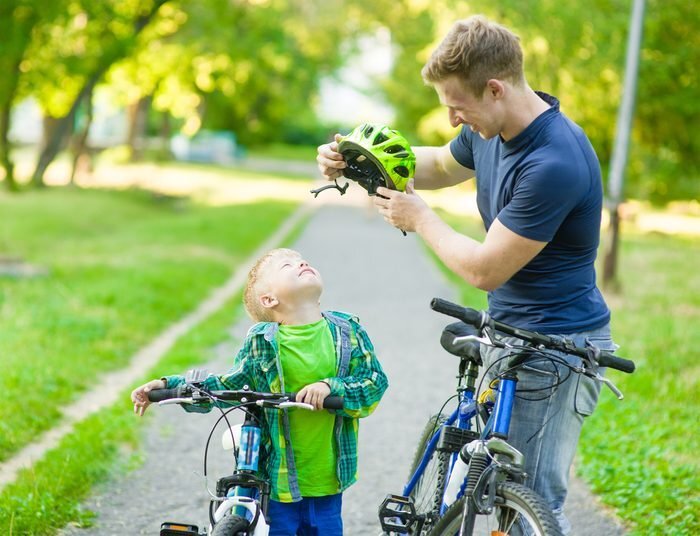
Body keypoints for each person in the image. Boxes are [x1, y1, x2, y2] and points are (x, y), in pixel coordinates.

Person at [316, 15, 615, 534]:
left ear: (495, 88)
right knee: (480, 476)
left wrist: (421, 219)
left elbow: (483, 269)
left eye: (458, 105)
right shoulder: (492, 127)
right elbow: (434, 165)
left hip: (557, 347)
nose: (453, 118)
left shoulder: (553, 161)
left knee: (529, 506)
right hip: (509, 330)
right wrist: (359, 161)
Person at [131, 248, 388, 536]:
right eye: (286, 265)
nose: (301, 262)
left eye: (302, 260)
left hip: (327, 479)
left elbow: (374, 381)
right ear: (269, 300)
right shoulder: (262, 341)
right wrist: (169, 386)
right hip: (276, 483)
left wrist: (331, 386)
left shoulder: (346, 330)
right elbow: (231, 384)